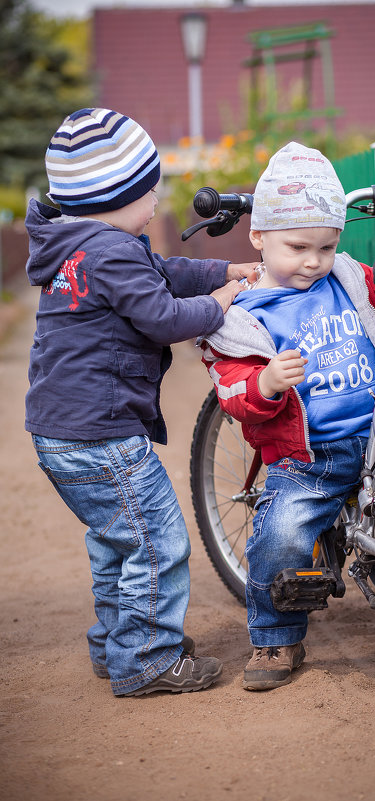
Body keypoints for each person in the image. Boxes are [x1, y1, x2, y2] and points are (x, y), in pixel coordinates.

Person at [199, 141, 375, 691]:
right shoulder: (241, 315)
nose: (313, 261)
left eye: (326, 246)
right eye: (297, 247)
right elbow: (232, 391)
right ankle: (276, 637)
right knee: (282, 535)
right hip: (308, 457)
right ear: (258, 237)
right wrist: (264, 383)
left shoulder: (348, 279)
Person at [25, 107, 258, 697]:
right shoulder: (113, 252)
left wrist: (222, 269)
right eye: (149, 189)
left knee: (115, 540)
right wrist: (224, 301)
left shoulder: (83, 247)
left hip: (60, 431)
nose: (157, 199)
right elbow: (161, 316)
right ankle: (148, 659)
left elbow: (166, 271)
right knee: (156, 539)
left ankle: (117, 642)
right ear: (117, 195)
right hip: (101, 433)